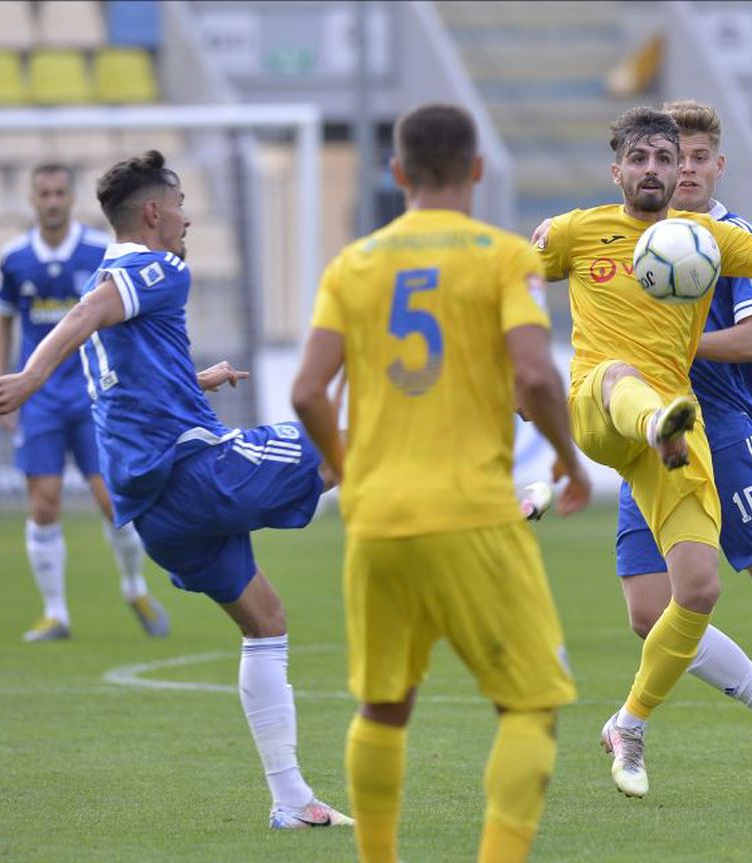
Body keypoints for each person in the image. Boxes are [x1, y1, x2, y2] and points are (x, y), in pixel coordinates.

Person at [0, 151, 351, 830]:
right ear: (152, 213)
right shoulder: (155, 268)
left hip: (155, 513)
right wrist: (29, 379)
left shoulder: (110, 273)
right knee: (340, 449)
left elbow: (113, 370)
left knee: (265, 620)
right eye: (178, 205)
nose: (186, 218)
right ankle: (486, 495)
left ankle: (292, 800)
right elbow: (84, 316)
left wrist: (192, 380)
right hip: (192, 468)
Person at [535, 101, 752, 797]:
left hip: (713, 423)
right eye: (660, 157)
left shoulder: (718, 236)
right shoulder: (590, 232)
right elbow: (513, 272)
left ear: (712, 165)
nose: (674, 169)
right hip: (640, 418)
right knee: (647, 611)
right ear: (622, 167)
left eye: (687, 158)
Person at [291, 103, 592, 863]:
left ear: (397, 174)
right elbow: (534, 372)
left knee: (384, 706)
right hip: (473, 516)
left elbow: (305, 393)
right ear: (479, 170)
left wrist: (353, 471)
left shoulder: (352, 264)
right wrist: (569, 457)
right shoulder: (500, 257)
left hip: (378, 520)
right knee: (528, 705)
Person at [0, 163, 168, 642]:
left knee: (112, 500)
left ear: (72, 199)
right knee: (43, 504)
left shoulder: (98, 252)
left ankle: (135, 587)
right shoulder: (14, 258)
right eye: (43, 192)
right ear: (33, 199)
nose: (52, 201)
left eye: (59, 192)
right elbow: (3, 321)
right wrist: (2, 381)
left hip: (94, 394)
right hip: (40, 400)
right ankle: (55, 613)